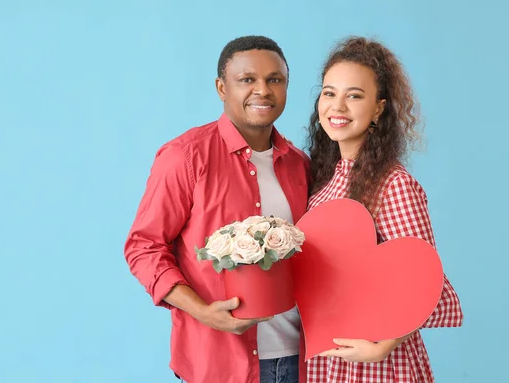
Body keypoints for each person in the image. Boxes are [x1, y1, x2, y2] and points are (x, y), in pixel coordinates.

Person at [124, 35, 311, 383]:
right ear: (221, 88)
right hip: (220, 363)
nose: (263, 90)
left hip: (300, 359)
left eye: (275, 80)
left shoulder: (300, 165)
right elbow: (144, 247)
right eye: (247, 80)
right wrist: (204, 313)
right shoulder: (185, 157)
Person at [302, 36, 463, 382]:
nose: (337, 106)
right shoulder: (322, 181)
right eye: (329, 93)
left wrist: (382, 347)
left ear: (378, 108)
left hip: (376, 364)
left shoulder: (392, 184)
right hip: (325, 359)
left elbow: (424, 282)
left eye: (354, 95)